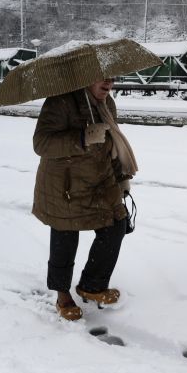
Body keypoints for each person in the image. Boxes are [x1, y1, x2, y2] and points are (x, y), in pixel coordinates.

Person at [32, 77, 138, 321]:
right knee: (65, 237)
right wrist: (82, 137)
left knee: (116, 225)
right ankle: (62, 295)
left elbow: (111, 142)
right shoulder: (60, 102)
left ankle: (92, 285)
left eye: (112, 78)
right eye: (103, 78)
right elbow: (41, 143)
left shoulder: (106, 104)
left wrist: (121, 177)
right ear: (86, 77)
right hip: (65, 184)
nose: (109, 83)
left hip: (100, 180)